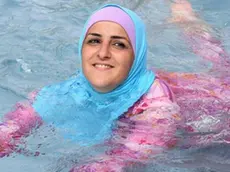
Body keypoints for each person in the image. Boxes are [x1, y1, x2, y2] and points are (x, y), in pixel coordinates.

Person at [0, 1, 229, 172]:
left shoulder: (157, 110)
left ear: (137, 55)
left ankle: (190, 23)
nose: (103, 53)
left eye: (119, 44)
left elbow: (122, 159)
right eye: (94, 40)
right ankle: (188, 22)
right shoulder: (68, 90)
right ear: (82, 47)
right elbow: (11, 127)